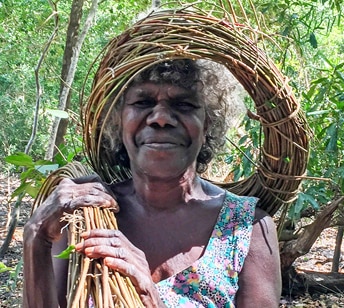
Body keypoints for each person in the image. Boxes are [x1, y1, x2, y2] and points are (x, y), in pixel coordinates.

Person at [22, 57, 282, 306]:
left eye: (183, 105)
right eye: (143, 102)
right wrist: (37, 237)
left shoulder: (247, 228)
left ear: (208, 124)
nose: (160, 118)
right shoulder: (84, 218)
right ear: (118, 120)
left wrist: (149, 298)